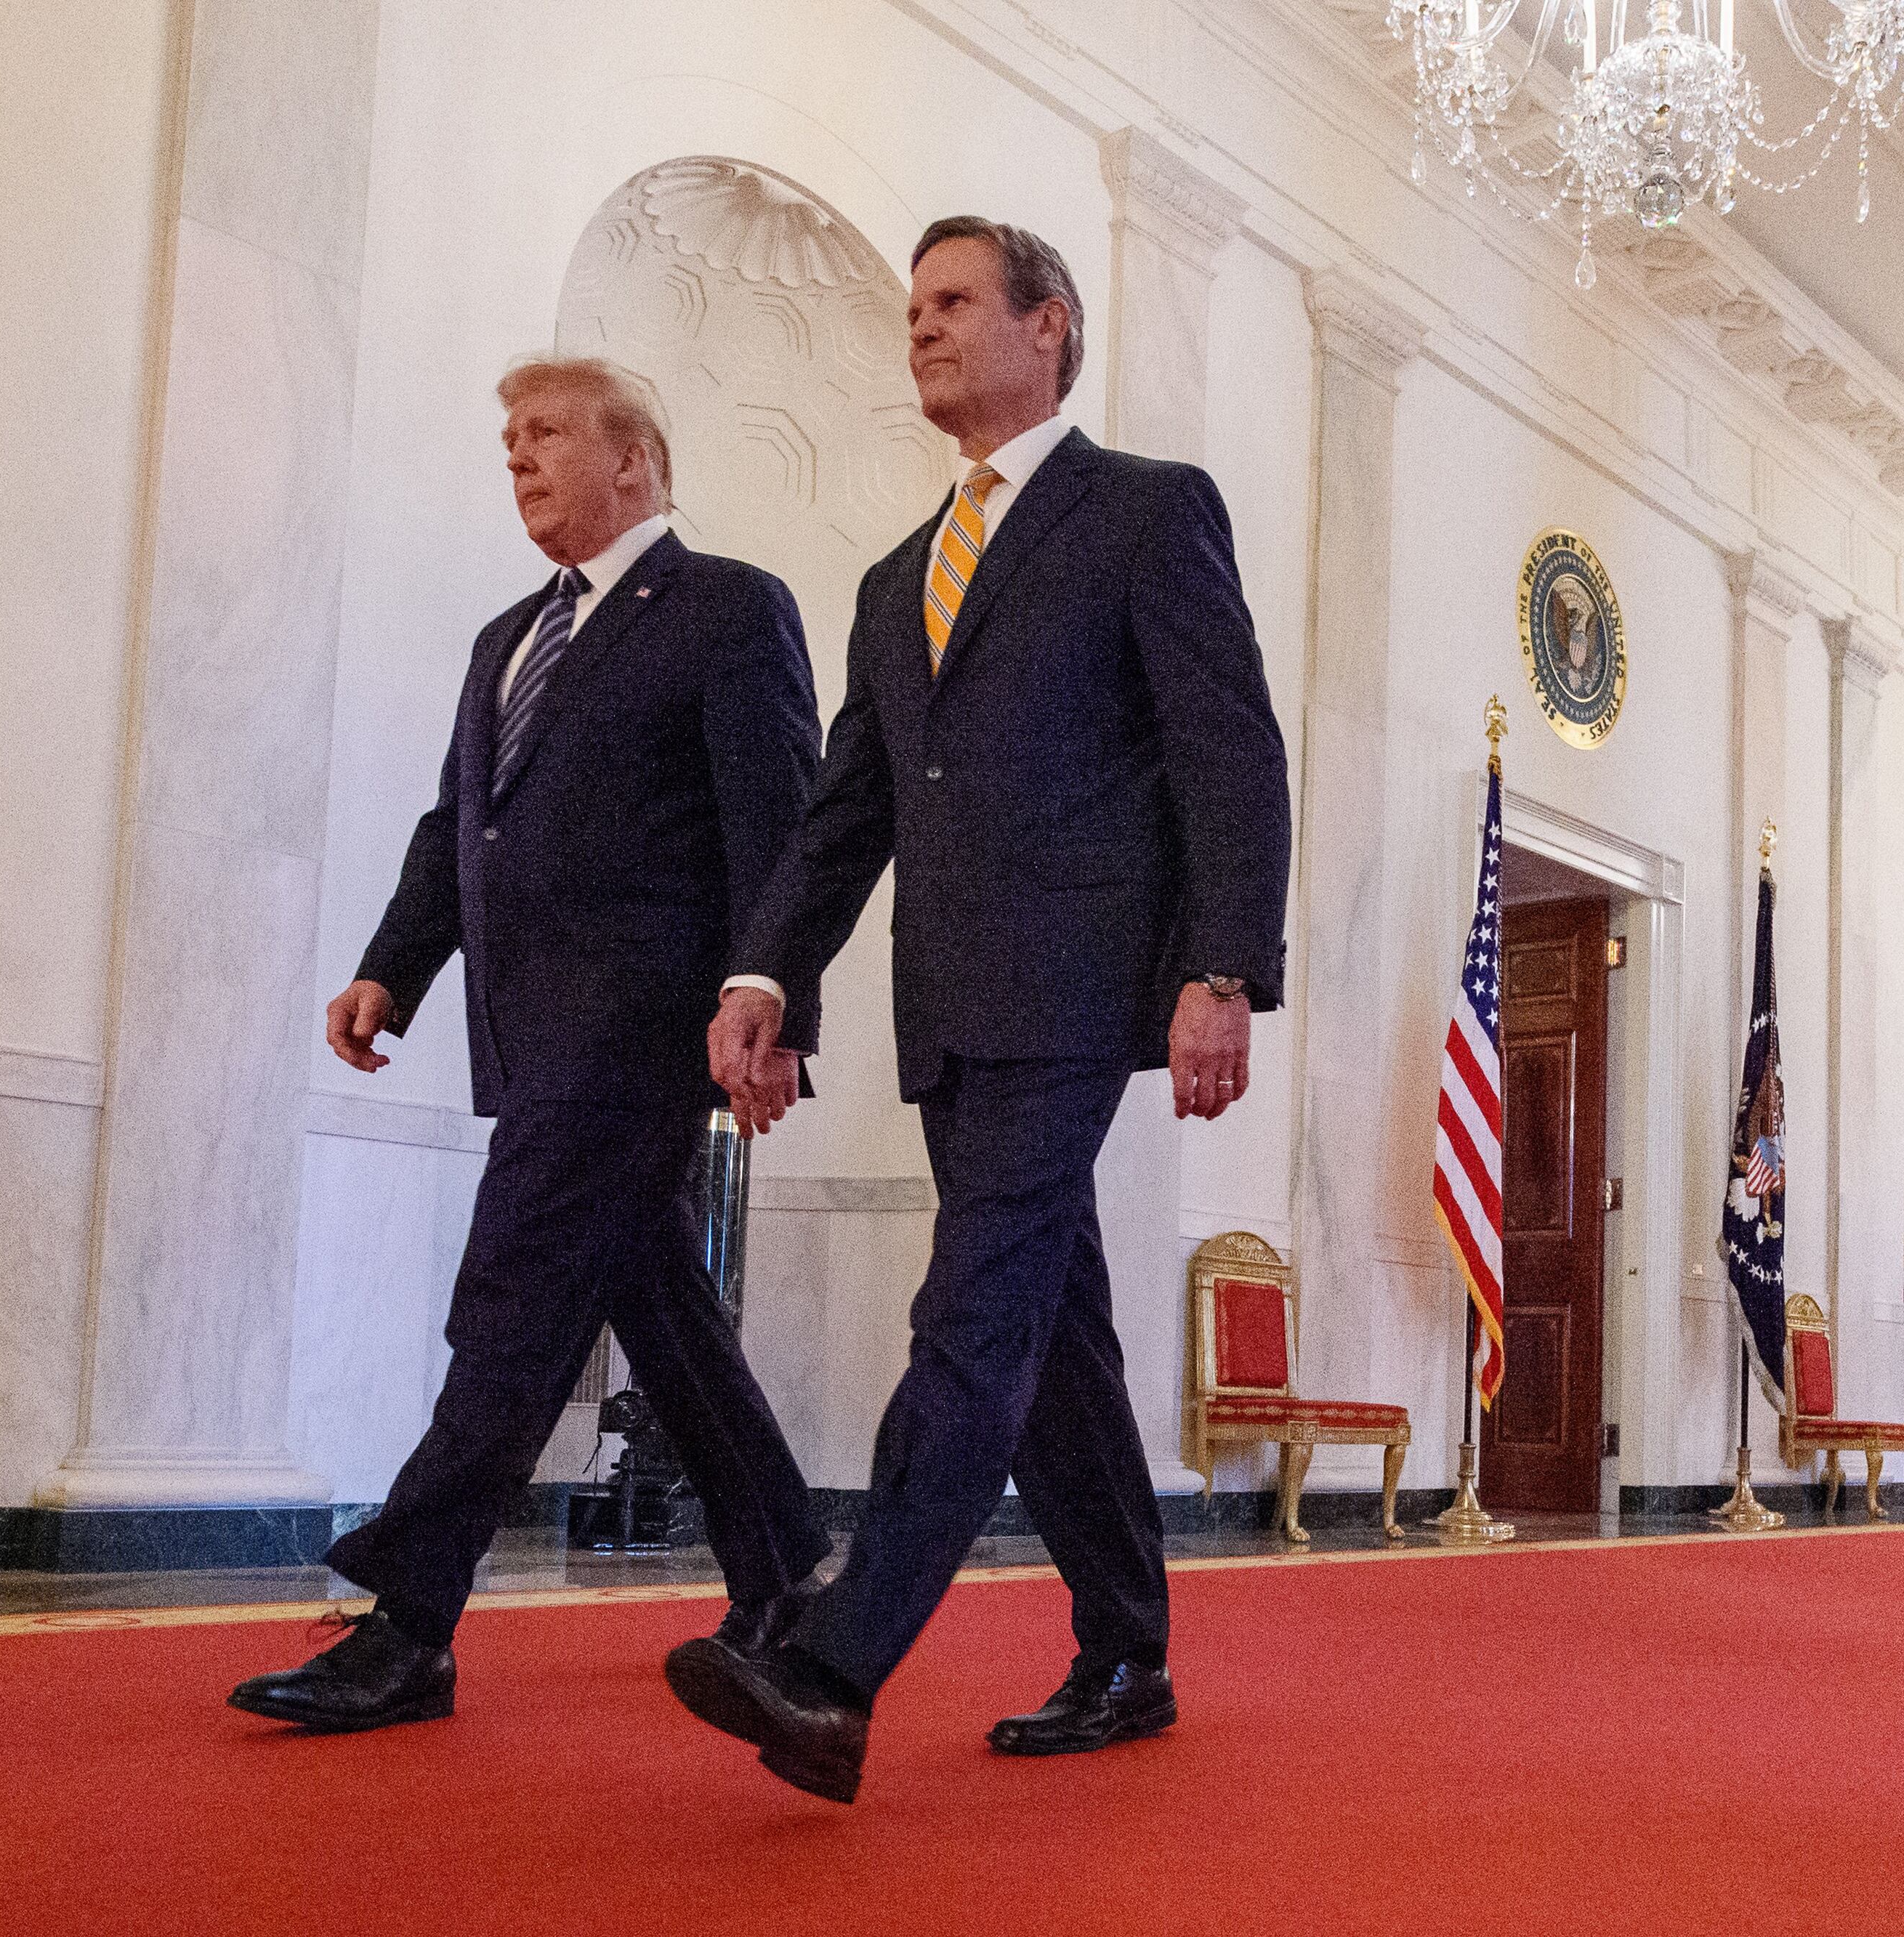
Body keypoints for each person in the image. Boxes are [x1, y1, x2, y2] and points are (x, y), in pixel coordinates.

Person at [664, 217, 1291, 1804]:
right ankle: (1128, 1646)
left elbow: (1228, 750)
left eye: (952, 303)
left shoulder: (1147, 513)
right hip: (949, 1002)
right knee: (1051, 1332)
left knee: (973, 1312)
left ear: (1048, 327)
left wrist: (1220, 970)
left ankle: (830, 1663)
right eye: (911, 309)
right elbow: (841, 813)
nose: (921, 328)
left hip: (1083, 990)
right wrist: (763, 974)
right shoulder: (894, 581)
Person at [227, 357, 831, 1732]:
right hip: (528, 1032)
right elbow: (461, 827)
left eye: (547, 433)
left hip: (641, 1033)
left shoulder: (731, 609)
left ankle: (409, 1622)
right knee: (657, 1309)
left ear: (636, 459)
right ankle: (789, 1566)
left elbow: (780, 827)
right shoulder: (507, 632)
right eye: (508, 439)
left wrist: (779, 1009)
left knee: (507, 1301)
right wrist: (394, 966)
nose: (518, 457)